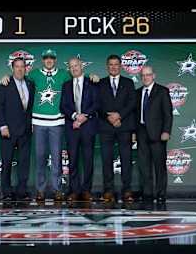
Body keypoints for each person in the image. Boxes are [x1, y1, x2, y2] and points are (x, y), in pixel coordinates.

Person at [0, 49, 98, 202]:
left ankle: (57, 189)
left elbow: (77, 76)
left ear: (56, 60)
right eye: (46, 58)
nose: (49, 60)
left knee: (57, 159)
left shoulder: (64, 74)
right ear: (42, 60)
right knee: (39, 158)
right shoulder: (33, 75)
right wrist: (6, 76)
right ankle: (40, 190)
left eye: (52, 58)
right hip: (38, 123)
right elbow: (18, 77)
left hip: (57, 123)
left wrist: (91, 76)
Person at [60, 57, 99, 203]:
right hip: (72, 127)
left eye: (76, 65)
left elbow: (96, 103)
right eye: (71, 67)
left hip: (88, 127)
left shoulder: (92, 82)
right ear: (69, 69)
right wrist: (75, 116)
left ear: (81, 66)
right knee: (73, 160)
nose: (74, 68)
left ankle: (87, 190)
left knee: (88, 160)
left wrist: (84, 117)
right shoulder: (66, 85)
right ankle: (74, 190)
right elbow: (63, 106)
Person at [98, 54, 136, 203]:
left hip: (124, 126)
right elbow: (97, 104)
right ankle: (108, 191)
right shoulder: (100, 83)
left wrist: (119, 115)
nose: (113, 67)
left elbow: (132, 103)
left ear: (120, 66)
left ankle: (127, 190)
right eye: (111, 64)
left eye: (116, 64)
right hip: (105, 127)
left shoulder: (128, 83)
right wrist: (109, 117)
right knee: (106, 159)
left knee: (126, 159)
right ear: (107, 66)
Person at [0, 57, 35, 202]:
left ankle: (21, 191)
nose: (20, 69)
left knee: (24, 162)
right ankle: (6, 191)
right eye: (17, 66)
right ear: (12, 68)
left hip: (25, 130)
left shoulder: (30, 84)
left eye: (22, 66)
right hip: (9, 131)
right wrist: (3, 126)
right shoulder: (4, 83)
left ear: (26, 68)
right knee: (6, 162)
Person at [134, 66, 173, 203]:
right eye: (143, 75)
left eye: (148, 75)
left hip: (158, 133)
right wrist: (134, 131)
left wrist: (166, 131)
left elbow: (168, 114)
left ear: (154, 76)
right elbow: (134, 114)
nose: (145, 77)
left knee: (159, 165)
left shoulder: (162, 91)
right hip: (141, 132)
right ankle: (148, 193)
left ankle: (161, 193)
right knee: (144, 165)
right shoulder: (137, 92)